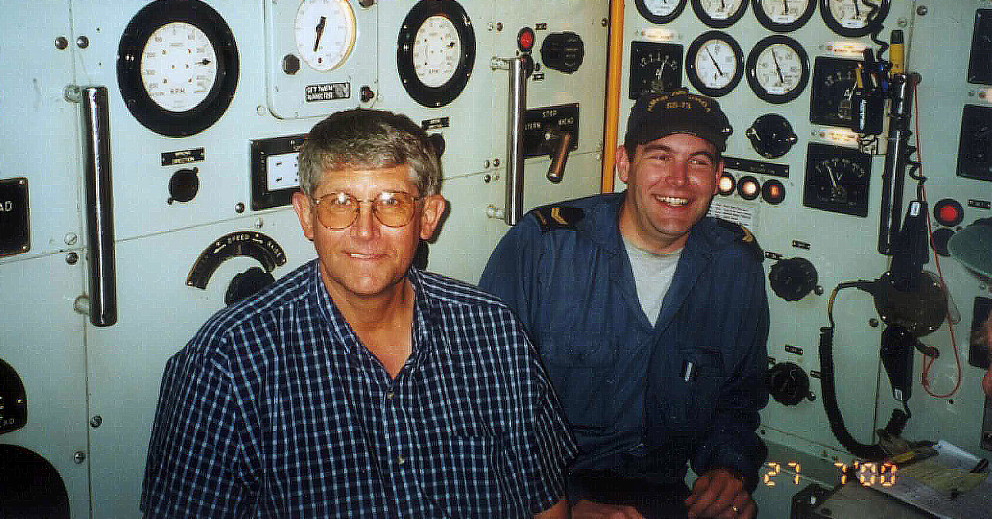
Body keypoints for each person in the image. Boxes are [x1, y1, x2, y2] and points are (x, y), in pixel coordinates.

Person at [141, 108, 576, 518]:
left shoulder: (491, 328)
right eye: (340, 203)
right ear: (306, 216)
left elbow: (544, 503)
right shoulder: (227, 363)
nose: (365, 231)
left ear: (428, 216)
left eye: (391, 203)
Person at [481, 89, 770, 519]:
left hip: (663, 492)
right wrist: (565, 506)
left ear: (717, 175)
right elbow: (484, 400)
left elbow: (738, 398)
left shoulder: (735, 265)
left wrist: (727, 468)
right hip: (545, 492)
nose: (679, 180)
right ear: (624, 164)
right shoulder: (542, 248)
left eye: (698, 162)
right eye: (660, 157)